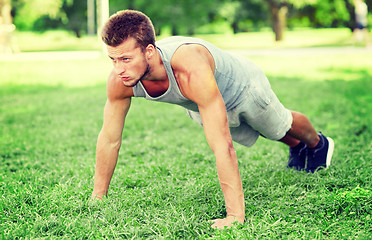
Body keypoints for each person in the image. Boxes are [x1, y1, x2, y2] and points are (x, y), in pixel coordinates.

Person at [91, 10, 335, 229]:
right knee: (263, 131)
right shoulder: (120, 81)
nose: (118, 69)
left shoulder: (188, 70)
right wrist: (98, 196)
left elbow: (222, 146)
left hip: (242, 87)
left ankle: (317, 144)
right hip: (202, 99)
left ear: (149, 51)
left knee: (277, 125)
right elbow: (110, 139)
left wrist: (234, 216)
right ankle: (297, 147)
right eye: (113, 59)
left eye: (125, 59)